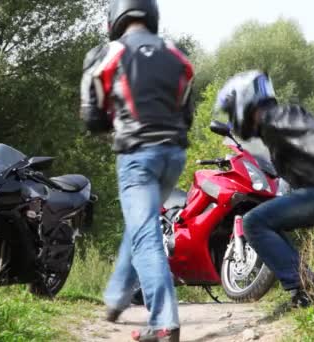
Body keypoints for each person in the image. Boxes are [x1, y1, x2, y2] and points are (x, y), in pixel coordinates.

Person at [79, 0, 194, 341]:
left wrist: (113, 122)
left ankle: (163, 324)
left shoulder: (105, 54)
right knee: (139, 225)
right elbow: (186, 114)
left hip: (136, 155)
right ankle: (116, 298)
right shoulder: (178, 54)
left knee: (144, 233)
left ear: (116, 17)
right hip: (174, 155)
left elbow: (92, 118)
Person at [214, 70, 314, 309]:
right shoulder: (274, 125)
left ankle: (305, 289)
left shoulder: (277, 118)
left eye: (232, 110)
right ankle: (308, 285)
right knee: (267, 221)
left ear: (244, 103)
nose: (233, 118)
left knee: (253, 222)